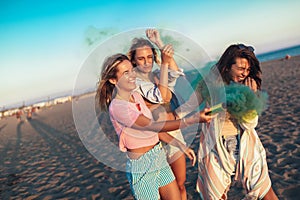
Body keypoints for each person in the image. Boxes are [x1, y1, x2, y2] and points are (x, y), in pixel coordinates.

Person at [96, 53, 214, 200]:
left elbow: (154, 132)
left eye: (132, 70)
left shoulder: (137, 97)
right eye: (126, 73)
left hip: (158, 157)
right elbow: (152, 126)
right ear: (113, 80)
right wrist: (193, 119)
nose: (132, 75)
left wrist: (179, 145)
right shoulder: (118, 107)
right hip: (142, 167)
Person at [176, 44, 278, 199]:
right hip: (216, 148)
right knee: (216, 196)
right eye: (240, 69)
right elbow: (189, 106)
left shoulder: (248, 85)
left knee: (265, 193)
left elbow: (250, 125)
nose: (245, 73)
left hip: (245, 145)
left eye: (248, 70)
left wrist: (250, 97)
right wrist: (168, 118)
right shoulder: (208, 84)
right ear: (227, 66)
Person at [127, 29, 190, 200]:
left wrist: (160, 45)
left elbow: (177, 75)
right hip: (156, 140)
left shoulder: (157, 75)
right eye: (141, 58)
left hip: (174, 132)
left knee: (180, 184)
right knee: (166, 192)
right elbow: (161, 96)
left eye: (149, 57)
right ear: (132, 60)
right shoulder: (135, 84)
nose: (146, 62)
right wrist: (165, 61)